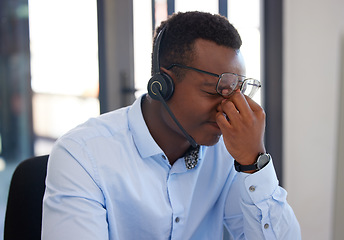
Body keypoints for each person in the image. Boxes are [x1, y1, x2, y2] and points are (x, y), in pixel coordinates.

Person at [42, 11, 301, 239]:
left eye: (236, 92)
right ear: (162, 86)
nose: (229, 108)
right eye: (215, 91)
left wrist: (253, 163)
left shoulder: (229, 151)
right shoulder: (82, 155)